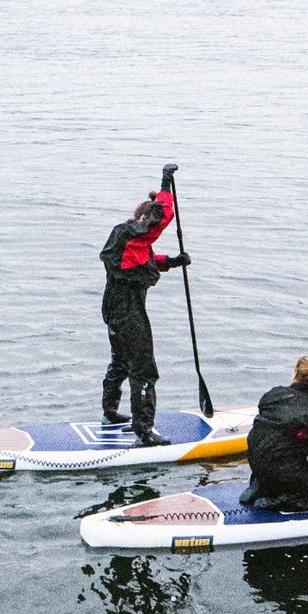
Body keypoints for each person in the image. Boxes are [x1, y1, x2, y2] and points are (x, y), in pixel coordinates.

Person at [99, 169, 190, 447]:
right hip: (127, 311)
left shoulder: (129, 241)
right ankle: (144, 430)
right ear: (142, 219)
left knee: (122, 360)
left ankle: (110, 412)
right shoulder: (128, 233)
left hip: (115, 308)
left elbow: (145, 259)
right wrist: (165, 183)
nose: (154, 230)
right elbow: (163, 217)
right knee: (144, 369)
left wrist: (173, 261)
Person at [242, 356, 308, 510]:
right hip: (284, 471)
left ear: (295, 372)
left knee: (277, 455)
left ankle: (259, 487)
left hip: (256, 464)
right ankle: (282, 501)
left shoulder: (272, 395)